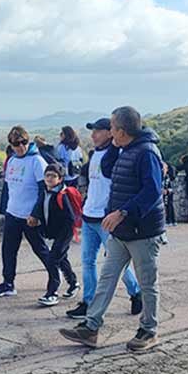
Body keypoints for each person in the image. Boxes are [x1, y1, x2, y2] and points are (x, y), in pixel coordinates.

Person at [60, 106, 164, 353]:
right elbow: (108, 172)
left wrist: (123, 212)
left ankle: (149, 330)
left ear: (121, 130)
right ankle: (91, 327)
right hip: (121, 230)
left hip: (143, 231)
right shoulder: (124, 150)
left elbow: (152, 191)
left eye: (112, 127)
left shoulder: (146, 153)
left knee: (147, 283)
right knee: (107, 277)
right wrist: (111, 148)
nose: (109, 132)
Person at [66, 118, 142, 320]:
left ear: (110, 133)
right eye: (93, 131)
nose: (93, 135)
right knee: (87, 261)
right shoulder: (94, 155)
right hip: (89, 214)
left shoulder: (116, 155)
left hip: (106, 217)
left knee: (115, 262)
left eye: (98, 131)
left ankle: (135, 292)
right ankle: (88, 301)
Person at [0, 126, 52, 297]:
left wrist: (36, 214)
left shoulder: (36, 161)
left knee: (40, 248)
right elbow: (9, 188)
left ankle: (55, 276)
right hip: (13, 212)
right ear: (11, 144)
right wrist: (6, 209)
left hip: (29, 215)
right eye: (16, 143)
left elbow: (44, 189)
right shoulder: (11, 161)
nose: (21, 146)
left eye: (24, 142)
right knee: (8, 249)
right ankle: (8, 282)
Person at [29, 163, 80, 306]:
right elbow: (40, 206)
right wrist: (34, 217)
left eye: (53, 176)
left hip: (64, 233)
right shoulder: (45, 191)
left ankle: (52, 293)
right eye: (47, 175)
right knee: (61, 258)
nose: (49, 178)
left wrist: (63, 237)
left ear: (60, 178)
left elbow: (70, 219)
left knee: (52, 260)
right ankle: (73, 283)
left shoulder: (62, 195)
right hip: (56, 233)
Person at [162, 161, 177, 226]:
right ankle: (172, 221)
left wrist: (166, 190)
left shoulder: (166, 177)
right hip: (168, 192)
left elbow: (168, 186)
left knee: (168, 206)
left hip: (167, 193)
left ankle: (169, 221)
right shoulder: (168, 176)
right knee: (169, 206)